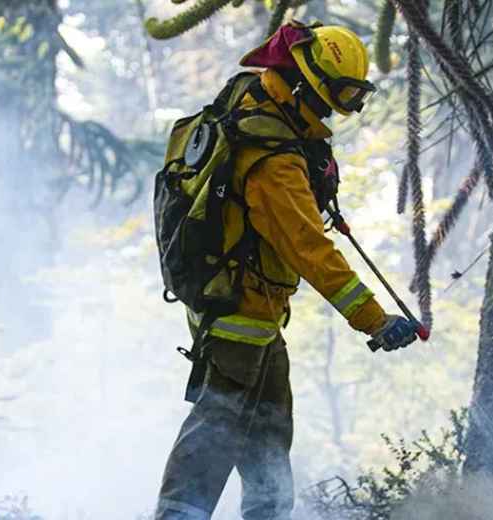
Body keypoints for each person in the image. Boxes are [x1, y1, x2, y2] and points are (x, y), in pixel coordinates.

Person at [154, 22, 420, 520]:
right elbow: (307, 247)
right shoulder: (271, 159)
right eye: (332, 99)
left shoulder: (254, 103)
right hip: (241, 313)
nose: (334, 113)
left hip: (251, 313)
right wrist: (375, 319)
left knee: (270, 439)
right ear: (300, 83)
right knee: (217, 428)